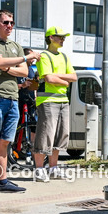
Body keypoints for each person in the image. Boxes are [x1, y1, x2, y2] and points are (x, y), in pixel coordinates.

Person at [0, 10, 39, 199]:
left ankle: (2, 181)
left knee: (5, 142)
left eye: (12, 22)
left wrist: (6, 66)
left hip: (13, 99)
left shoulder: (15, 46)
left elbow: (24, 73)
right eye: (5, 22)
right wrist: (24, 59)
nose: (9, 26)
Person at [33, 28, 78, 182]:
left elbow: (74, 77)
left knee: (61, 136)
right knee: (45, 134)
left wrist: (57, 76)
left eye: (64, 37)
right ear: (51, 38)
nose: (63, 39)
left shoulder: (64, 57)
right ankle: (39, 169)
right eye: (60, 37)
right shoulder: (43, 56)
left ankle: (53, 168)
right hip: (47, 101)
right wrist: (64, 81)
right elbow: (49, 79)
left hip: (63, 100)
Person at [14, 48, 39, 164]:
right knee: (18, 126)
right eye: (31, 57)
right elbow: (13, 86)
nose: (33, 60)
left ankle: (31, 152)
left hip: (30, 102)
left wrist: (35, 96)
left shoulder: (31, 70)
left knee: (33, 125)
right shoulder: (18, 68)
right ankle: (14, 149)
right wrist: (22, 85)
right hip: (19, 100)